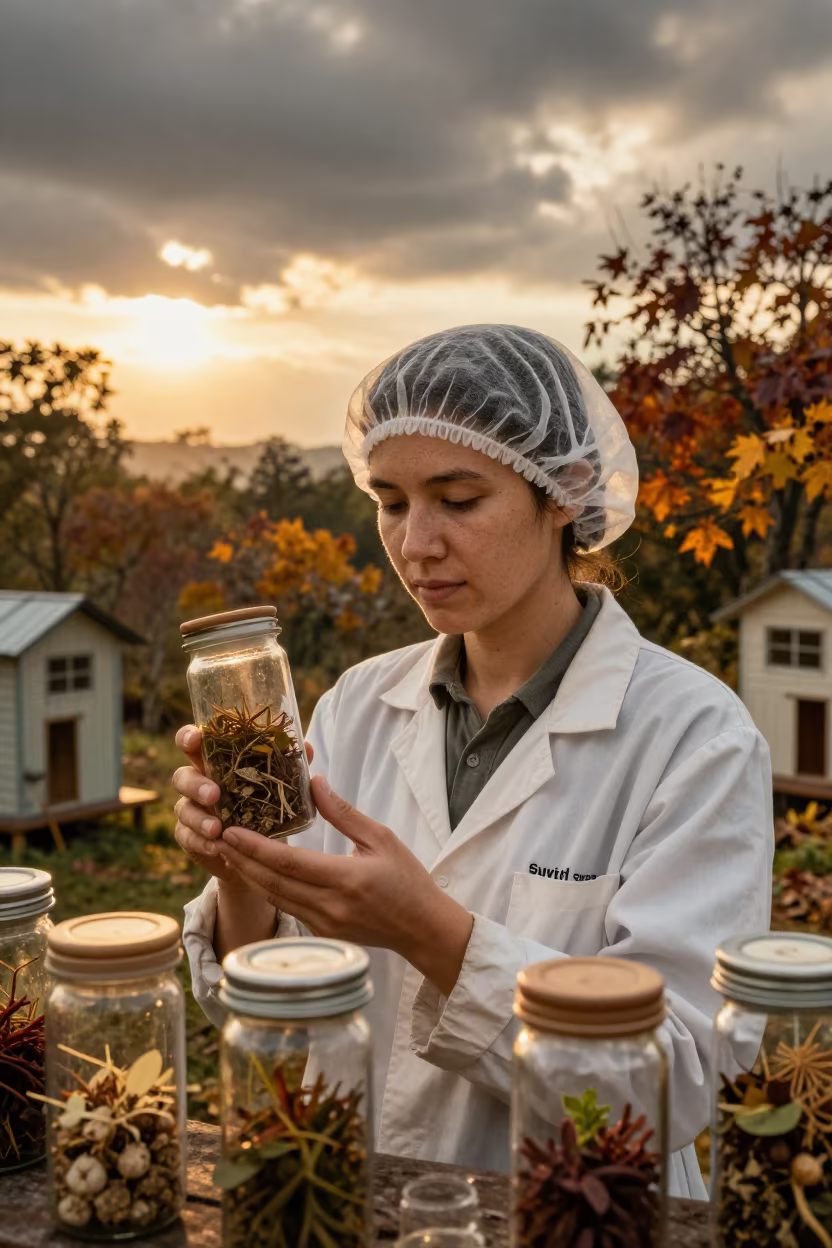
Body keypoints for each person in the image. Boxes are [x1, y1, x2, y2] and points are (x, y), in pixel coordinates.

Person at [176, 324, 772, 1198]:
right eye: (389, 500)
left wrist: (431, 933)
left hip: (577, 1214)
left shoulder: (693, 737)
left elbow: (678, 1079)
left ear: (565, 491)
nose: (416, 543)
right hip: (356, 1199)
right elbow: (264, 1009)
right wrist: (242, 874)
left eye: (457, 499)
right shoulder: (355, 706)